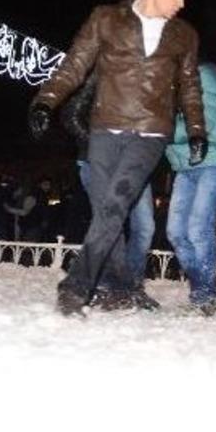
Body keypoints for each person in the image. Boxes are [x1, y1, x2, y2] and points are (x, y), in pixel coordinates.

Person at [28, 0, 207, 315]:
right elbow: (75, 64)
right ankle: (122, 286)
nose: (183, 2)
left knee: (114, 206)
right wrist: (45, 102)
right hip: (105, 130)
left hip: (150, 134)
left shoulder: (184, 35)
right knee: (106, 214)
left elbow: (189, 86)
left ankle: (75, 287)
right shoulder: (106, 19)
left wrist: (197, 130)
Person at [61, 72, 157, 298]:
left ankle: (131, 284)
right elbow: (71, 115)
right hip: (97, 164)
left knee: (145, 227)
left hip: (134, 167)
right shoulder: (99, 79)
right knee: (108, 225)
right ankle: (112, 285)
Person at [165, 61, 216, 315]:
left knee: (198, 227)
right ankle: (202, 289)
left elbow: (202, 120)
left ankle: (205, 296)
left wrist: (159, 131)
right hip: (186, 166)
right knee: (176, 231)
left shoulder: (205, 76)